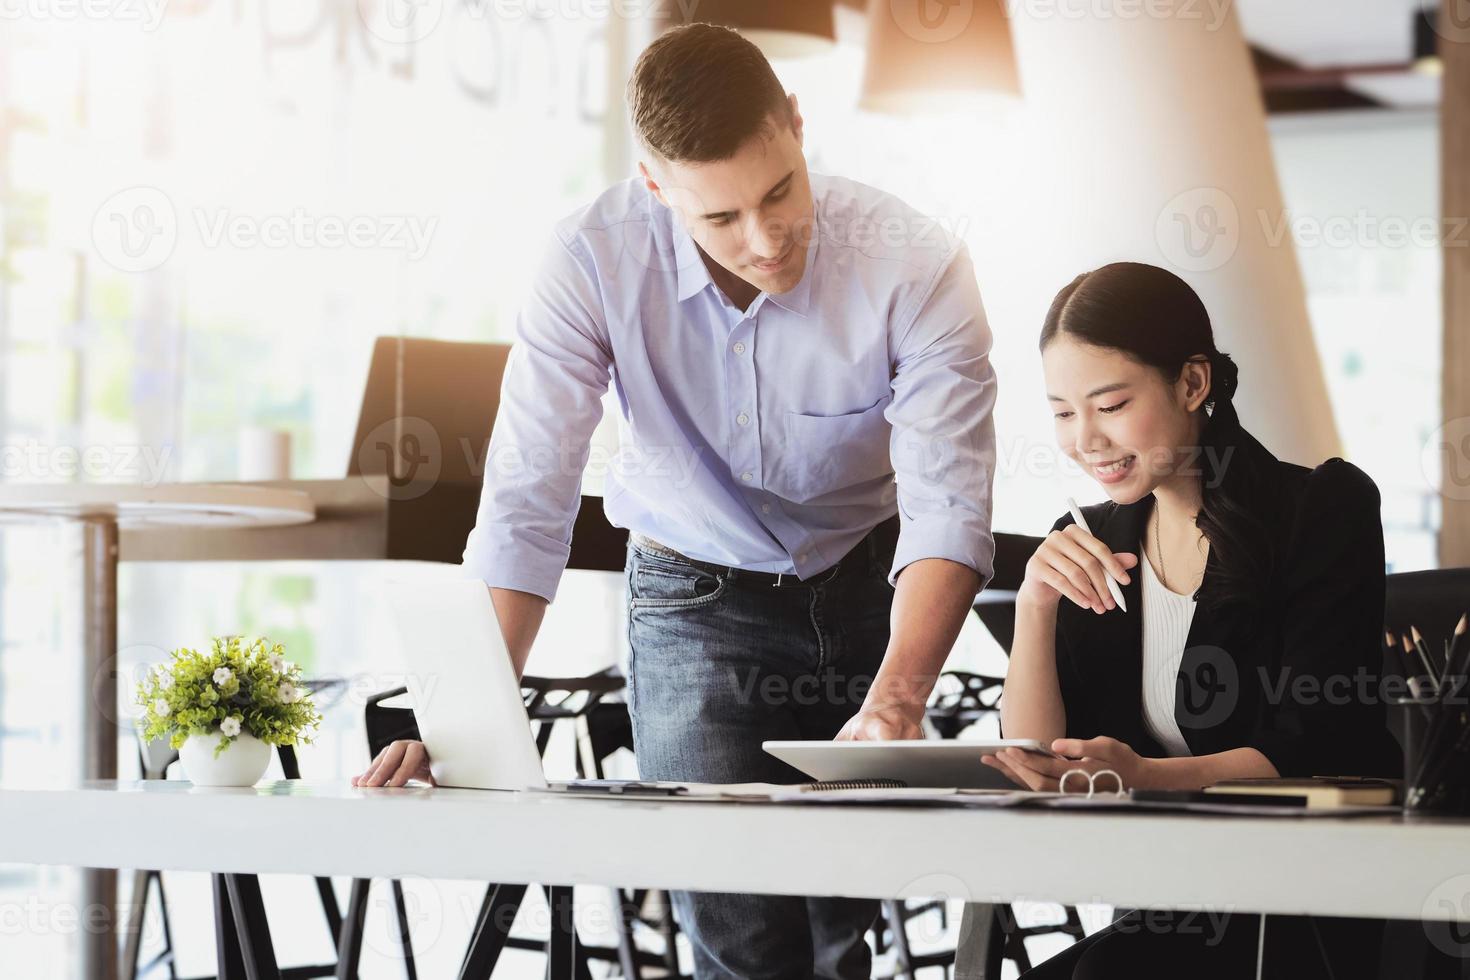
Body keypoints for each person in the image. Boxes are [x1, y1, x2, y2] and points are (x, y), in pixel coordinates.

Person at [354, 23, 999, 979]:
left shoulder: (917, 261)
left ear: (796, 125)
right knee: (737, 929)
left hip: (867, 581)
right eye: (720, 218)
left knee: (836, 926)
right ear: (657, 189)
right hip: (694, 598)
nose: (765, 238)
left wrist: (899, 700)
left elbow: (949, 503)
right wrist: (461, 724)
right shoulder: (588, 262)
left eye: (780, 191)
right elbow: (528, 500)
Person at [984, 261, 1399, 979]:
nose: (1084, 438)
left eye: (1110, 405)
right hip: (1170, 902)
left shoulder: (1320, 510)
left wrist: (1147, 775)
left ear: (1193, 383)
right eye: (1061, 412)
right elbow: (1042, 753)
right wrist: (1034, 605)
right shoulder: (1092, 539)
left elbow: (1315, 744)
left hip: (1307, 903)